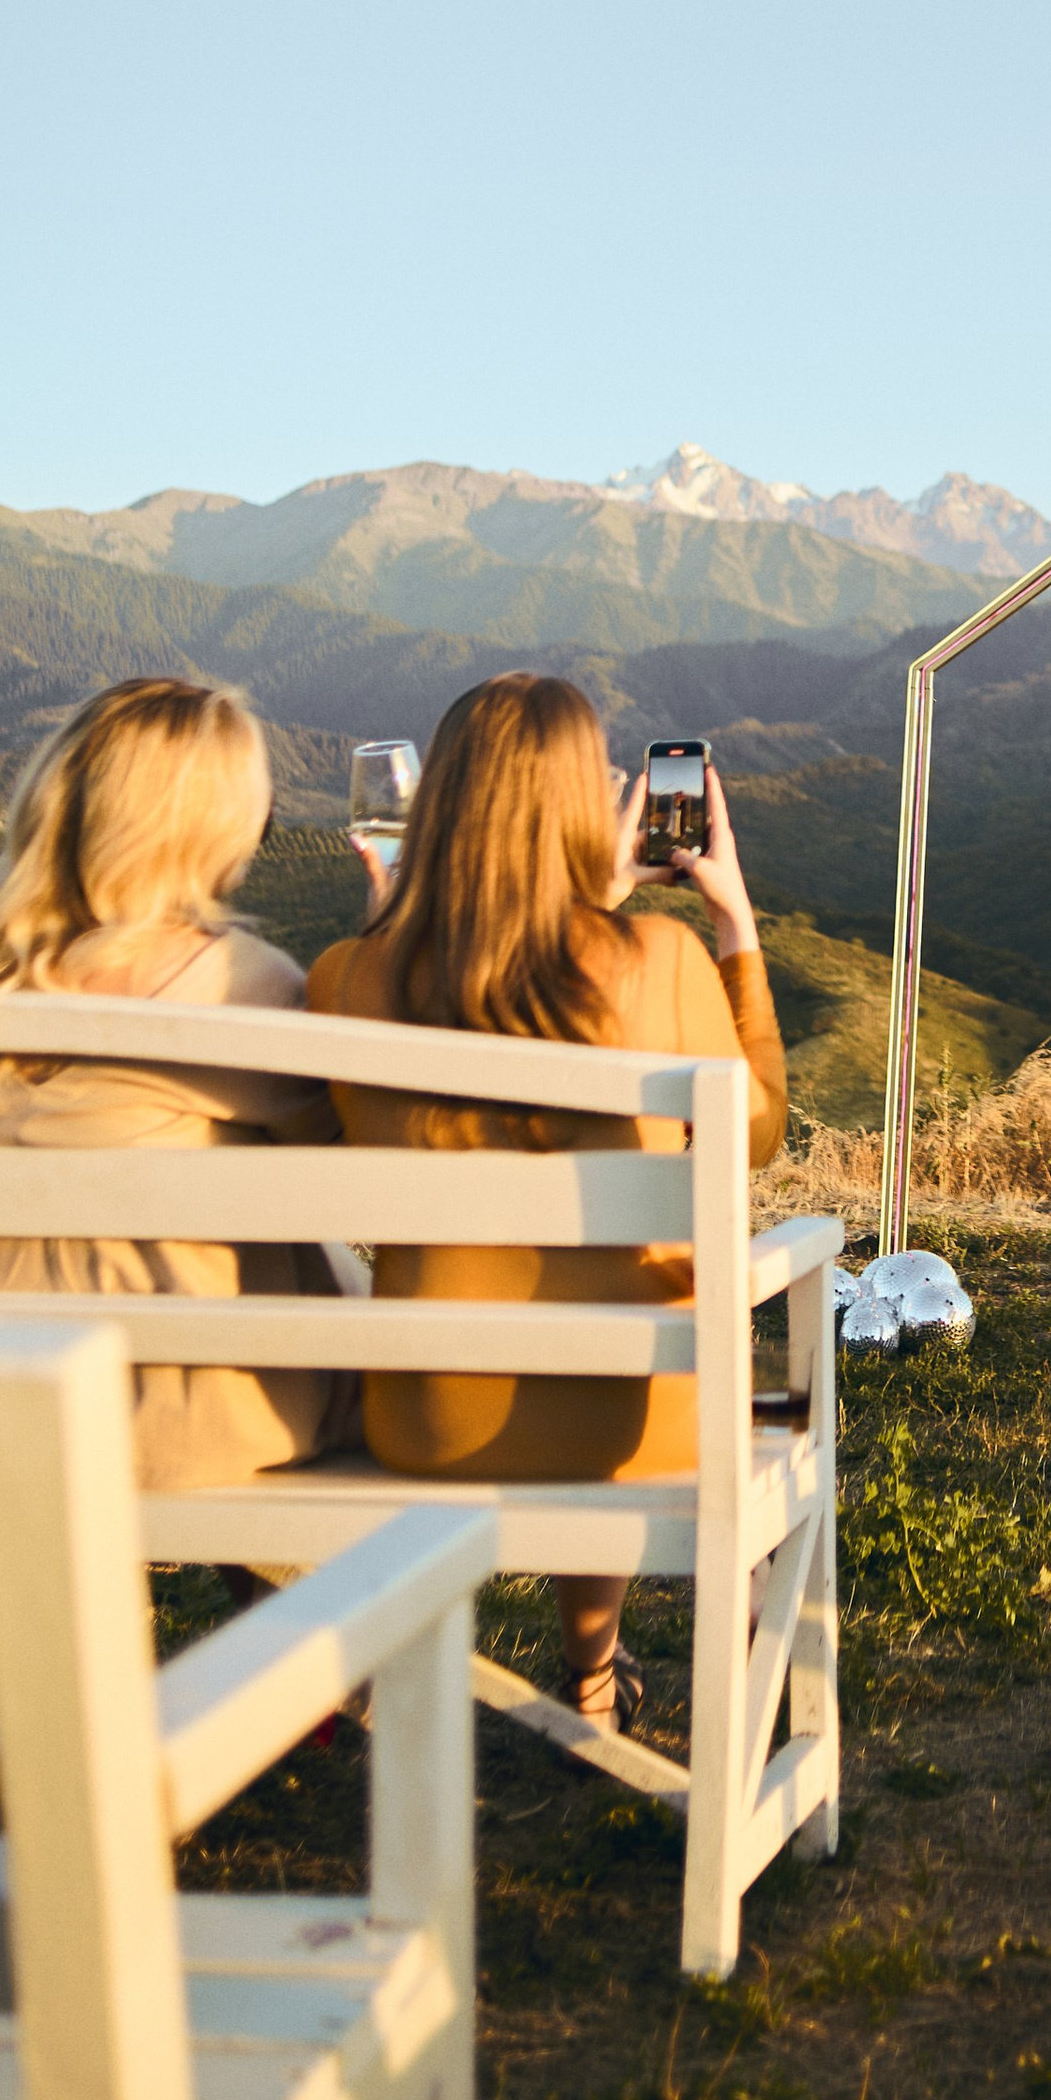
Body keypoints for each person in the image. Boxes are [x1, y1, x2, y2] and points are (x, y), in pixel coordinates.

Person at [305, 673, 788, 1735]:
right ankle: (635, 1693)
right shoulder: (657, 961)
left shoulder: (347, 976)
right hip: (636, 1422)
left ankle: (590, 1682)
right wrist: (731, 919)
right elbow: (752, 1131)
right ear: (584, 809)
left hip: (427, 1419)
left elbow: (478, 999)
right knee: (613, 1303)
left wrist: (388, 921)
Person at [0, 676, 357, 1488]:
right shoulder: (239, 983)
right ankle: (284, 1613)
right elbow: (349, 1141)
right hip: (175, 1414)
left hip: (12, 1401)